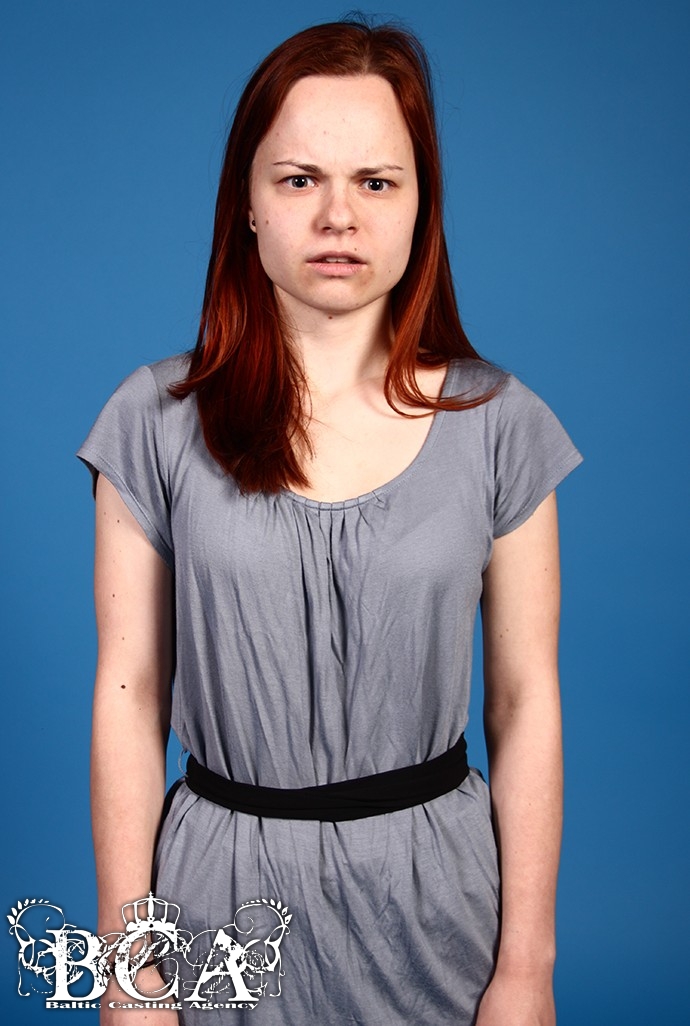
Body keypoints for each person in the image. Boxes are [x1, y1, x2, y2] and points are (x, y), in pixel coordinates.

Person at [78, 17, 582, 1026]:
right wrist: (132, 967)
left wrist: (528, 967)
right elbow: (129, 699)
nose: (338, 215)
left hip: (435, 910)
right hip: (217, 912)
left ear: (420, 205)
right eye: (300, 178)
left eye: (377, 182)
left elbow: (525, 704)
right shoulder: (152, 421)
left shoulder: (501, 425)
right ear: (247, 202)